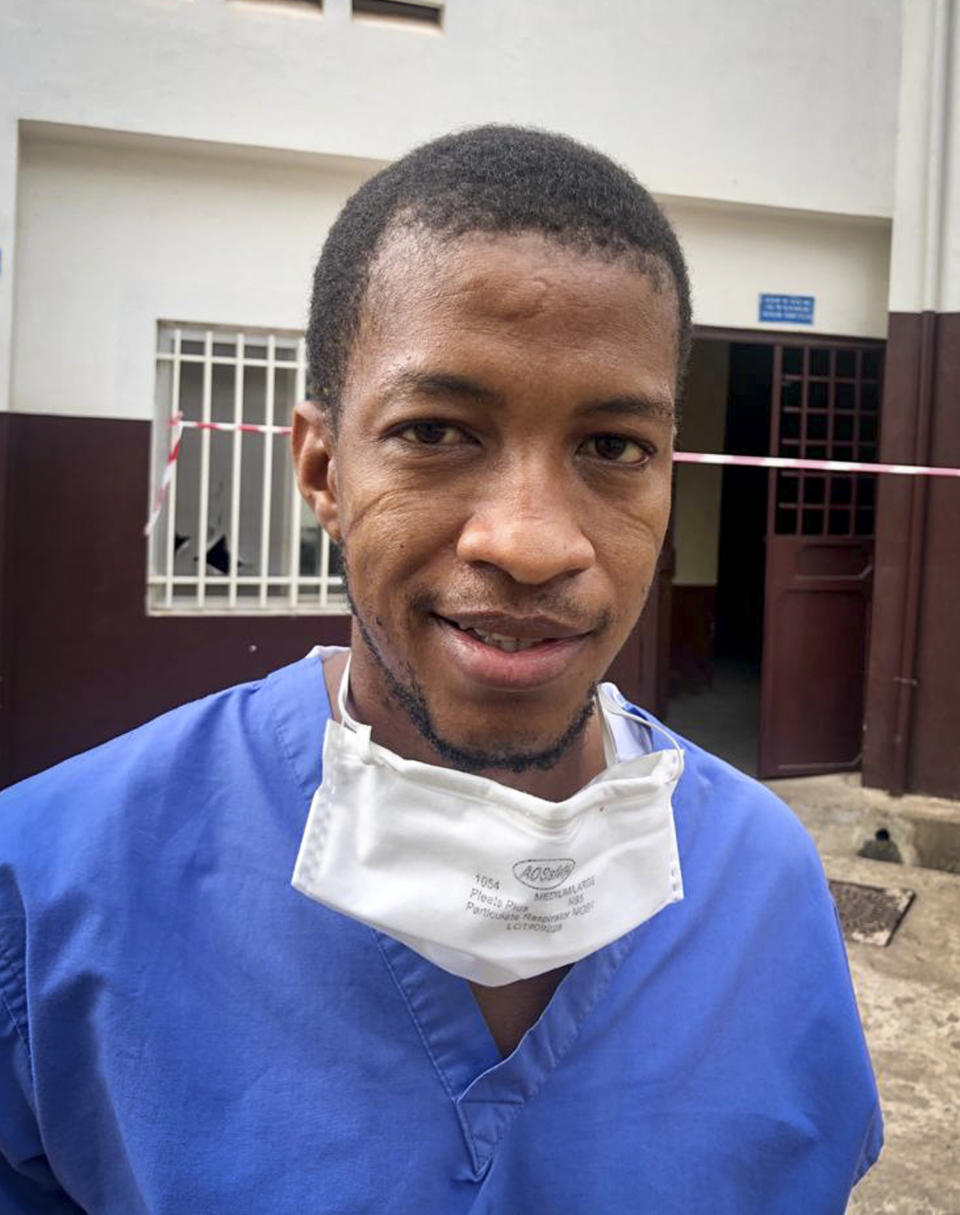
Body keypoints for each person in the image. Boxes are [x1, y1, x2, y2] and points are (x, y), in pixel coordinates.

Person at [0, 126, 881, 1213]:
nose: (531, 540)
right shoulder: (50, 888)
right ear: (323, 469)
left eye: (613, 447)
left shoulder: (763, 891)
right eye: (435, 430)